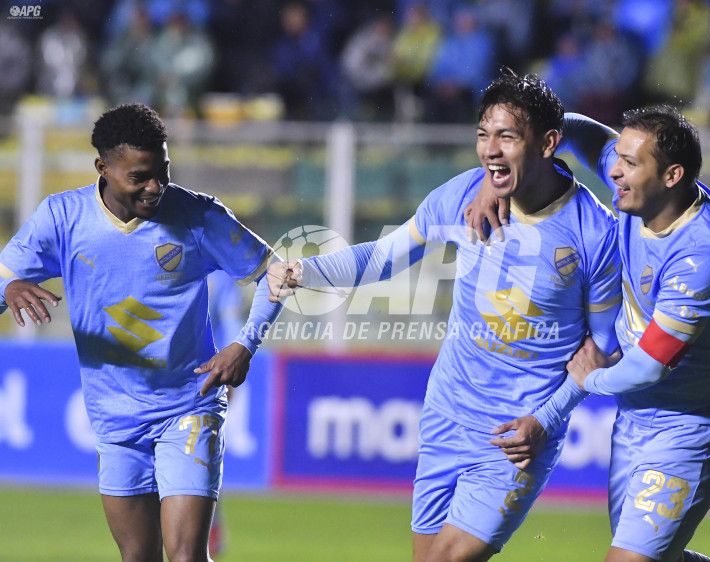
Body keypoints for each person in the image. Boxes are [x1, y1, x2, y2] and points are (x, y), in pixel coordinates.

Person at [267, 69, 622, 561]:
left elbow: (602, 349)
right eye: (483, 134)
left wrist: (548, 417)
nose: (491, 149)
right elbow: (385, 256)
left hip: (515, 435)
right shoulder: (463, 195)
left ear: (548, 143)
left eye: (507, 137)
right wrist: (306, 270)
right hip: (446, 415)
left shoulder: (596, 234)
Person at [0, 103, 282, 561]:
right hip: (114, 420)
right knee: (138, 557)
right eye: (140, 177)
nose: (156, 187)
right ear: (103, 169)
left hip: (189, 406)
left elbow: (274, 274)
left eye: (163, 171)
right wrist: (9, 286)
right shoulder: (62, 219)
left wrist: (245, 344)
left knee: (187, 555)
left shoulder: (197, 216)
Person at [465, 106, 710, 562]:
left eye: (630, 163)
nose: (614, 169)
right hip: (633, 421)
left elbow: (649, 365)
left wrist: (588, 378)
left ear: (672, 175)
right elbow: (565, 126)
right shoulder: (645, 194)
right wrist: (493, 179)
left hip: (686, 428)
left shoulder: (700, 258)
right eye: (618, 156)